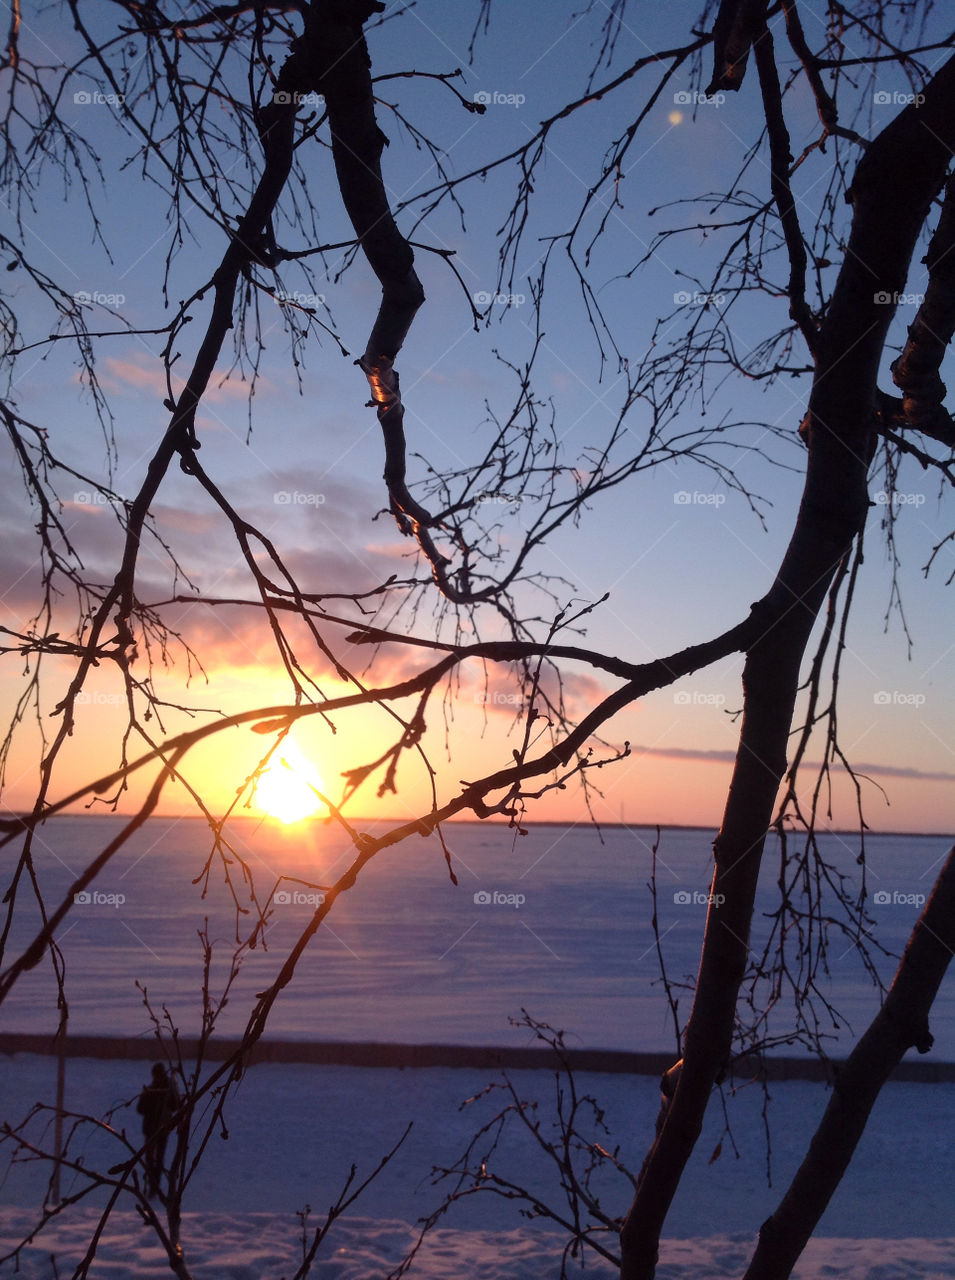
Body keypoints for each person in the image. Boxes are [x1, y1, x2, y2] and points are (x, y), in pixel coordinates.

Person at [136, 1062, 178, 1198]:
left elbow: (174, 1105)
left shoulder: (166, 1090)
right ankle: (153, 1184)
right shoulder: (154, 1089)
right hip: (155, 1129)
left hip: (158, 1129)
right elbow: (141, 1108)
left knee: (155, 1159)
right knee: (153, 1158)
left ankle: (154, 1185)